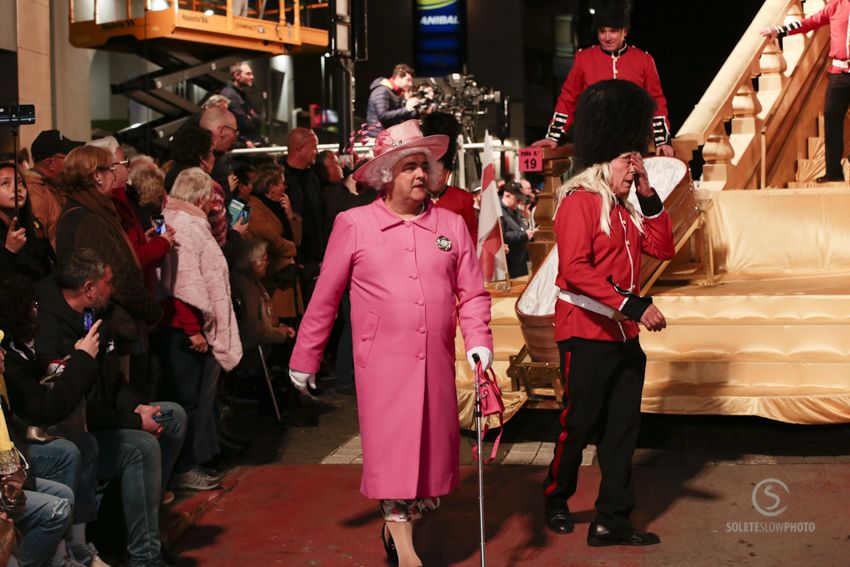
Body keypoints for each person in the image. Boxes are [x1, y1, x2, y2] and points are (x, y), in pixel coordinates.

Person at [288, 119, 493, 567]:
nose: (421, 174)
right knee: (394, 462)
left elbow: (473, 293)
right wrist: (306, 356)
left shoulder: (452, 225)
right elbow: (325, 297)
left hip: (435, 365)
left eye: (424, 165)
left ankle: (397, 526)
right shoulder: (354, 224)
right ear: (386, 175)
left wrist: (479, 340)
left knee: (427, 470)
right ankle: (406, 552)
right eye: (408, 167)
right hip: (381, 368)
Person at [542, 79, 674, 546]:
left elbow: (664, 248)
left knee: (622, 432)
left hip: (621, 338)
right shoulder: (580, 201)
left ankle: (611, 520)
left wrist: (647, 191)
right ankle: (556, 497)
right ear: (604, 159)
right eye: (627, 160)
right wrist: (633, 305)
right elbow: (575, 270)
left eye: (634, 158)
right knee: (577, 426)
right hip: (584, 333)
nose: (633, 165)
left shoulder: (625, 207)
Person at [34, 248, 187, 567]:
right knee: (141, 446)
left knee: (172, 416)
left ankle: (147, 527)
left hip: (108, 419)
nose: (113, 288)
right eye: (108, 282)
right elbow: (78, 409)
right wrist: (133, 421)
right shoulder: (53, 334)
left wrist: (139, 407)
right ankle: (145, 557)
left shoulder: (98, 316)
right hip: (74, 434)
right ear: (89, 289)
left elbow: (113, 382)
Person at [0, 273, 108, 567]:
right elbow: (45, 409)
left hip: (15, 453)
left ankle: (77, 547)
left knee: (84, 446)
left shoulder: (20, 346)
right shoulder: (9, 359)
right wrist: (84, 361)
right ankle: (60, 557)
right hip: (13, 460)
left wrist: (65, 367)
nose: (38, 309)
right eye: (32, 304)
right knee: (64, 457)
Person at [158, 168, 242, 490]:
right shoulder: (185, 225)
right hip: (183, 330)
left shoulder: (182, 221)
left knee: (194, 399)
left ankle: (191, 462)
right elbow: (181, 283)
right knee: (188, 400)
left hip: (186, 327)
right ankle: (183, 468)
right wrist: (193, 330)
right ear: (204, 197)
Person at [55, 146, 163, 351]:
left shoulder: (86, 210)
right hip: (115, 329)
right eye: (110, 170)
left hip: (115, 324)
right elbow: (117, 278)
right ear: (97, 176)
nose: (114, 176)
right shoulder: (88, 219)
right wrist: (153, 312)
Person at [533, 0, 673, 157]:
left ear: (624, 31)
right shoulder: (584, 58)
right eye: (602, 31)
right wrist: (554, 136)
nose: (607, 37)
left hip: (634, 144)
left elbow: (656, 101)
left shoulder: (643, 60)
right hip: (594, 145)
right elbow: (568, 98)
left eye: (612, 31)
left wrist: (662, 140)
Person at [762, 4, 850, 181]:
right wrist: (779, 31)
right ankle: (833, 173)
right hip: (839, 74)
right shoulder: (836, 5)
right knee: (832, 119)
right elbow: (810, 22)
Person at [420, 112, 478, 241]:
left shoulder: (463, 199)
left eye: (440, 173)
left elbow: (472, 233)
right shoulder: (416, 198)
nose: (437, 178)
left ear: (448, 173)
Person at [25, 129, 84, 248]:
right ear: (50, 163)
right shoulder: (34, 193)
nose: (73, 162)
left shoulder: (53, 187)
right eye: (68, 157)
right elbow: (38, 247)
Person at [284, 128, 324, 303]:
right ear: (300, 149)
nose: (316, 151)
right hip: (295, 262)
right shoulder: (281, 179)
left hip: (317, 259)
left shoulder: (313, 176)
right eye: (314, 147)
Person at [0, 160, 55, 280]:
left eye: (20, 183)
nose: (17, 188)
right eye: (5, 184)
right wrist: (9, 251)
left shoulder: (33, 225)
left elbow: (47, 266)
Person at [365, 64, 421, 136]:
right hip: (377, 137)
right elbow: (383, 116)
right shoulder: (382, 90)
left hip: (387, 136)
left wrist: (415, 109)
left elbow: (400, 115)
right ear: (398, 77)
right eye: (408, 80)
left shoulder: (395, 92)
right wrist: (407, 109)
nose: (410, 84)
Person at [220, 62, 263, 147]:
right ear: (237, 76)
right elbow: (245, 123)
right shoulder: (230, 95)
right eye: (248, 74)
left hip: (248, 142)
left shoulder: (242, 94)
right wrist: (251, 117)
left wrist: (252, 117)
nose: (252, 77)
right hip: (241, 144)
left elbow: (258, 121)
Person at [500, 182, 535, 278]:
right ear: (507, 195)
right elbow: (502, 235)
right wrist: (524, 235)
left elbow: (523, 227)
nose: (519, 202)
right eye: (517, 199)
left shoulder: (515, 211)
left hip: (521, 262)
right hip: (509, 263)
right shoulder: (499, 211)